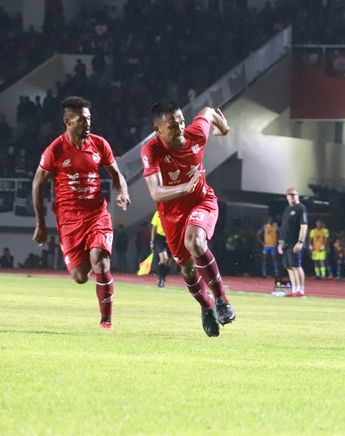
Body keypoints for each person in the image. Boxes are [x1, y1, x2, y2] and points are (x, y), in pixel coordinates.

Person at [32, 96, 130, 329]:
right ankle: (74, 250)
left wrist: (122, 191)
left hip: (97, 214)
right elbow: (37, 184)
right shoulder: (55, 150)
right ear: (67, 121)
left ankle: (106, 320)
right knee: (80, 277)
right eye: (82, 120)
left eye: (89, 119)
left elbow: (116, 173)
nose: (87, 124)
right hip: (69, 220)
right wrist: (41, 224)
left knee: (100, 261)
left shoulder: (99, 144)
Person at [141, 101, 235, 337]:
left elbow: (207, 112)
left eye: (182, 120)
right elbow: (155, 192)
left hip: (202, 201)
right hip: (171, 215)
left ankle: (221, 300)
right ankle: (206, 308)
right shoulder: (151, 151)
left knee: (195, 242)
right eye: (173, 125)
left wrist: (223, 126)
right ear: (158, 129)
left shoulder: (195, 134)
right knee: (187, 270)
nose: (180, 127)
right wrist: (185, 187)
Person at [279, 186, 308, 296]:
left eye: (294, 195)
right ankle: (294, 289)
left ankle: (301, 289)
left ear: (297, 196)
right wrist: (281, 242)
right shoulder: (287, 209)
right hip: (286, 242)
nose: (292, 197)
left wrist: (300, 242)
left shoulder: (301, 208)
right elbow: (284, 227)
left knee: (296, 266)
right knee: (289, 267)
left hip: (294, 241)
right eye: (290, 195)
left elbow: (304, 226)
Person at [150, 211, 171, 288]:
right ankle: (160, 278)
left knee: (168, 262)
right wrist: (152, 241)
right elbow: (154, 227)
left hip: (169, 238)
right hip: (160, 238)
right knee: (163, 259)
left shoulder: (172, 213)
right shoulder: (158, 213)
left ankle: (163, 277)